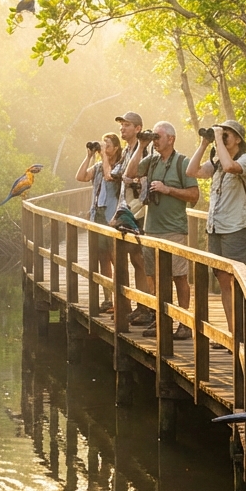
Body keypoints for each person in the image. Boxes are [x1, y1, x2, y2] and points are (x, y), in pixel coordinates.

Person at [124, 121, 199, 339]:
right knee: (153, 276)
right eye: (153, 137)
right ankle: (160, 320)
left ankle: (184, 323)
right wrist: (141, 145)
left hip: (174, 229)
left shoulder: (182, 163)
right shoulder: (153, 161)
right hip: (152, 229)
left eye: (158, 137)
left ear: (171, 139)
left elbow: (194, 195)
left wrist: (168, 190)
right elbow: (129, 173)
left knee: (179, 276)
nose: (155, 141)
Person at [186, 119, 246, 341]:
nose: (223, 137)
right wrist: (204, 143)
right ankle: (232, 332)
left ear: (238, 139)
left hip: (236, 228)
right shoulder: (216, 161)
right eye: (222, 133)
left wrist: (218, 138)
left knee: (235, 282)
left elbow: (230, 167)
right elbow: (192, 171)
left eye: (227, 134)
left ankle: (241, 333)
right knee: (222, 281)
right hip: (215, 228)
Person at [111, 111, 153, 326]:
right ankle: (139, 305)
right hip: (126, 209)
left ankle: (148, 308)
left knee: (142, 260)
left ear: (138, 128)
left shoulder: (146, 149)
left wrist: (135, 179)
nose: (122, 128)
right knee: (133, 260)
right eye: (121, 125)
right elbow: (117, 174)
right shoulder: (127, 151)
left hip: (140, 211)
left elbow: (144, 176)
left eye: (127, 125)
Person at [76, 132, 122, 311]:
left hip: (112, 217)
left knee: (114, 257)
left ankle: (120, 299)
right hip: (97, 215)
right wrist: (88, 156)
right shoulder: (96, 167)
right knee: (102, 257)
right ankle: (107, 298)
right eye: (103, 146)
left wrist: (103, 156)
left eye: (108, 146)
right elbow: (80, 176)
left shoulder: (119, 166)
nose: (105, 149)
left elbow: (109, 176)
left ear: (116, 148)